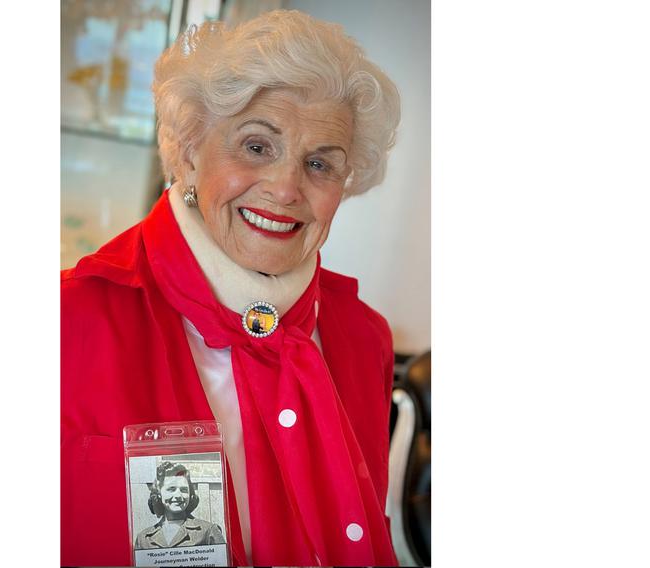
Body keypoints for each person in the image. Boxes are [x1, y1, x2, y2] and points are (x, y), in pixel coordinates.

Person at [62, 9, 401, 566]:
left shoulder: (364, 338)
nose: (287, 188)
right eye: (256, 146)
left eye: (319, 164)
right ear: (192, 148)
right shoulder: (67, 321)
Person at [134, 462, 225, 549]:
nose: (178, 495)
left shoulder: (208, 531)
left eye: (184, 490)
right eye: (171, 489)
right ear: (159, 493)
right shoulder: (143, 539)